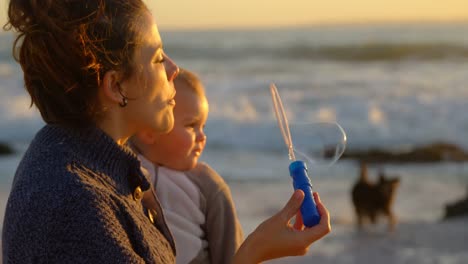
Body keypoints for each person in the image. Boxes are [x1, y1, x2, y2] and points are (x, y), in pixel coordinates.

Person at [2, 0, 331, 263]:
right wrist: (254, 252)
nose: (174, 69)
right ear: (116, 86)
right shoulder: (73, 206)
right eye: (158, 57)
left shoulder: (93, 168)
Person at [131, 68, 243, 264]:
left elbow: (232, 254)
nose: (202, 136)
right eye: (191, 125)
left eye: (203, 126)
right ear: (148, 131)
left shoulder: (209, 186)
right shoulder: (125, 166)